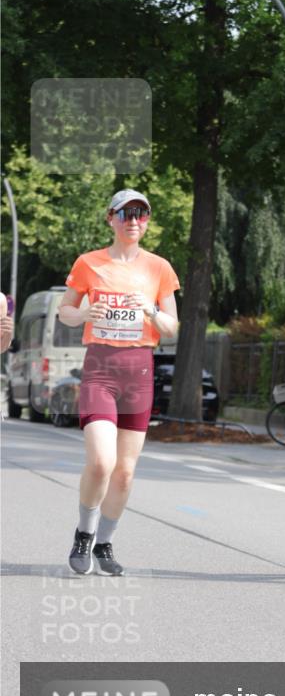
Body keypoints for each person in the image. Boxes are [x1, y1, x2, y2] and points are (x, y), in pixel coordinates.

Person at [58, 190, 179, 576]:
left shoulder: (159, 268)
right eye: (125, 214)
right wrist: (82, 313)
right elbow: (65, 311)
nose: (133, 221)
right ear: (110, 218)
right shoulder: (89, 263)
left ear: (147, 221)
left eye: (140, 214)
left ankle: (105, 544)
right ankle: (84, 533)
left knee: (124, 473)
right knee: (100, 462)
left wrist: (154, 312)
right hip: (100, 367)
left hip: (139, 370)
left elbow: (172, 328)